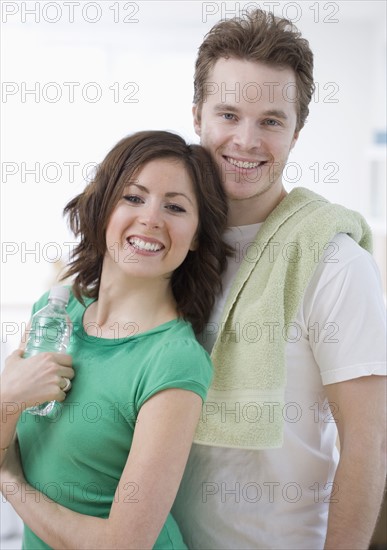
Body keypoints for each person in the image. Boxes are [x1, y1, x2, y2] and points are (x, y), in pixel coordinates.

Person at [172, 9, 387, 550]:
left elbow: (368, 442)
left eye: (270, 120)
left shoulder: (335, 263)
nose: (246, 141)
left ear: (297, 130)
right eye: (228, 114)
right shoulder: (168, 248)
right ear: (197, 115)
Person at [0, 130, 230, 549]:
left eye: (175, 207)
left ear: (197, 236)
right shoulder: (54, 313)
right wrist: (8, 399)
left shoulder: (173, 360)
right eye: (133, 197)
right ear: (104, 206)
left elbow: (123, 543)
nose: (151, 219)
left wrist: (13, 486)